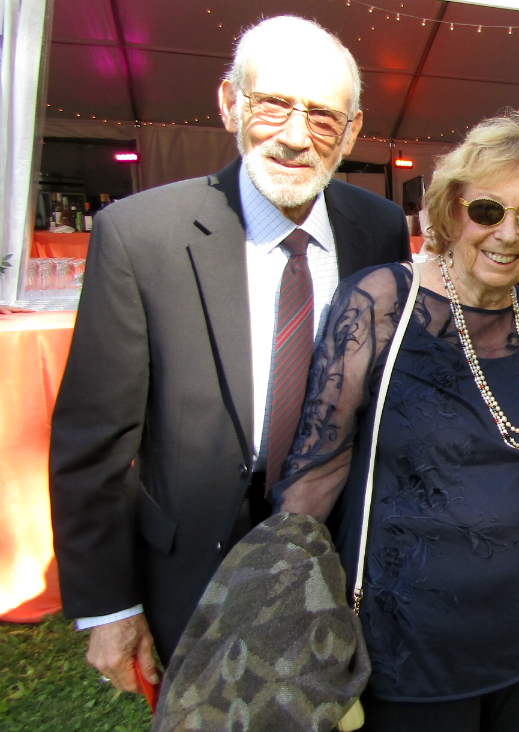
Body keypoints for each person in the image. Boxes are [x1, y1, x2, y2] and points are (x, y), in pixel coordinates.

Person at [48, 15, 410, 694]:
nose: (296, 137)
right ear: (230, 102)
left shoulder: (379, 227)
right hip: (193, 572)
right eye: (272, 105)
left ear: (354, 132)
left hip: (339, 560)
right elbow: (92, 442)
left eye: (324, 118)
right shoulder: (139, 236)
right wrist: (110, 607)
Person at [274, 111, 519, 732]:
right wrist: (282, 599)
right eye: (488, 210)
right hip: (409, 645)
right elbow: (319, 464)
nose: (508, 234)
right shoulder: (383, 301)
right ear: (451, 206)